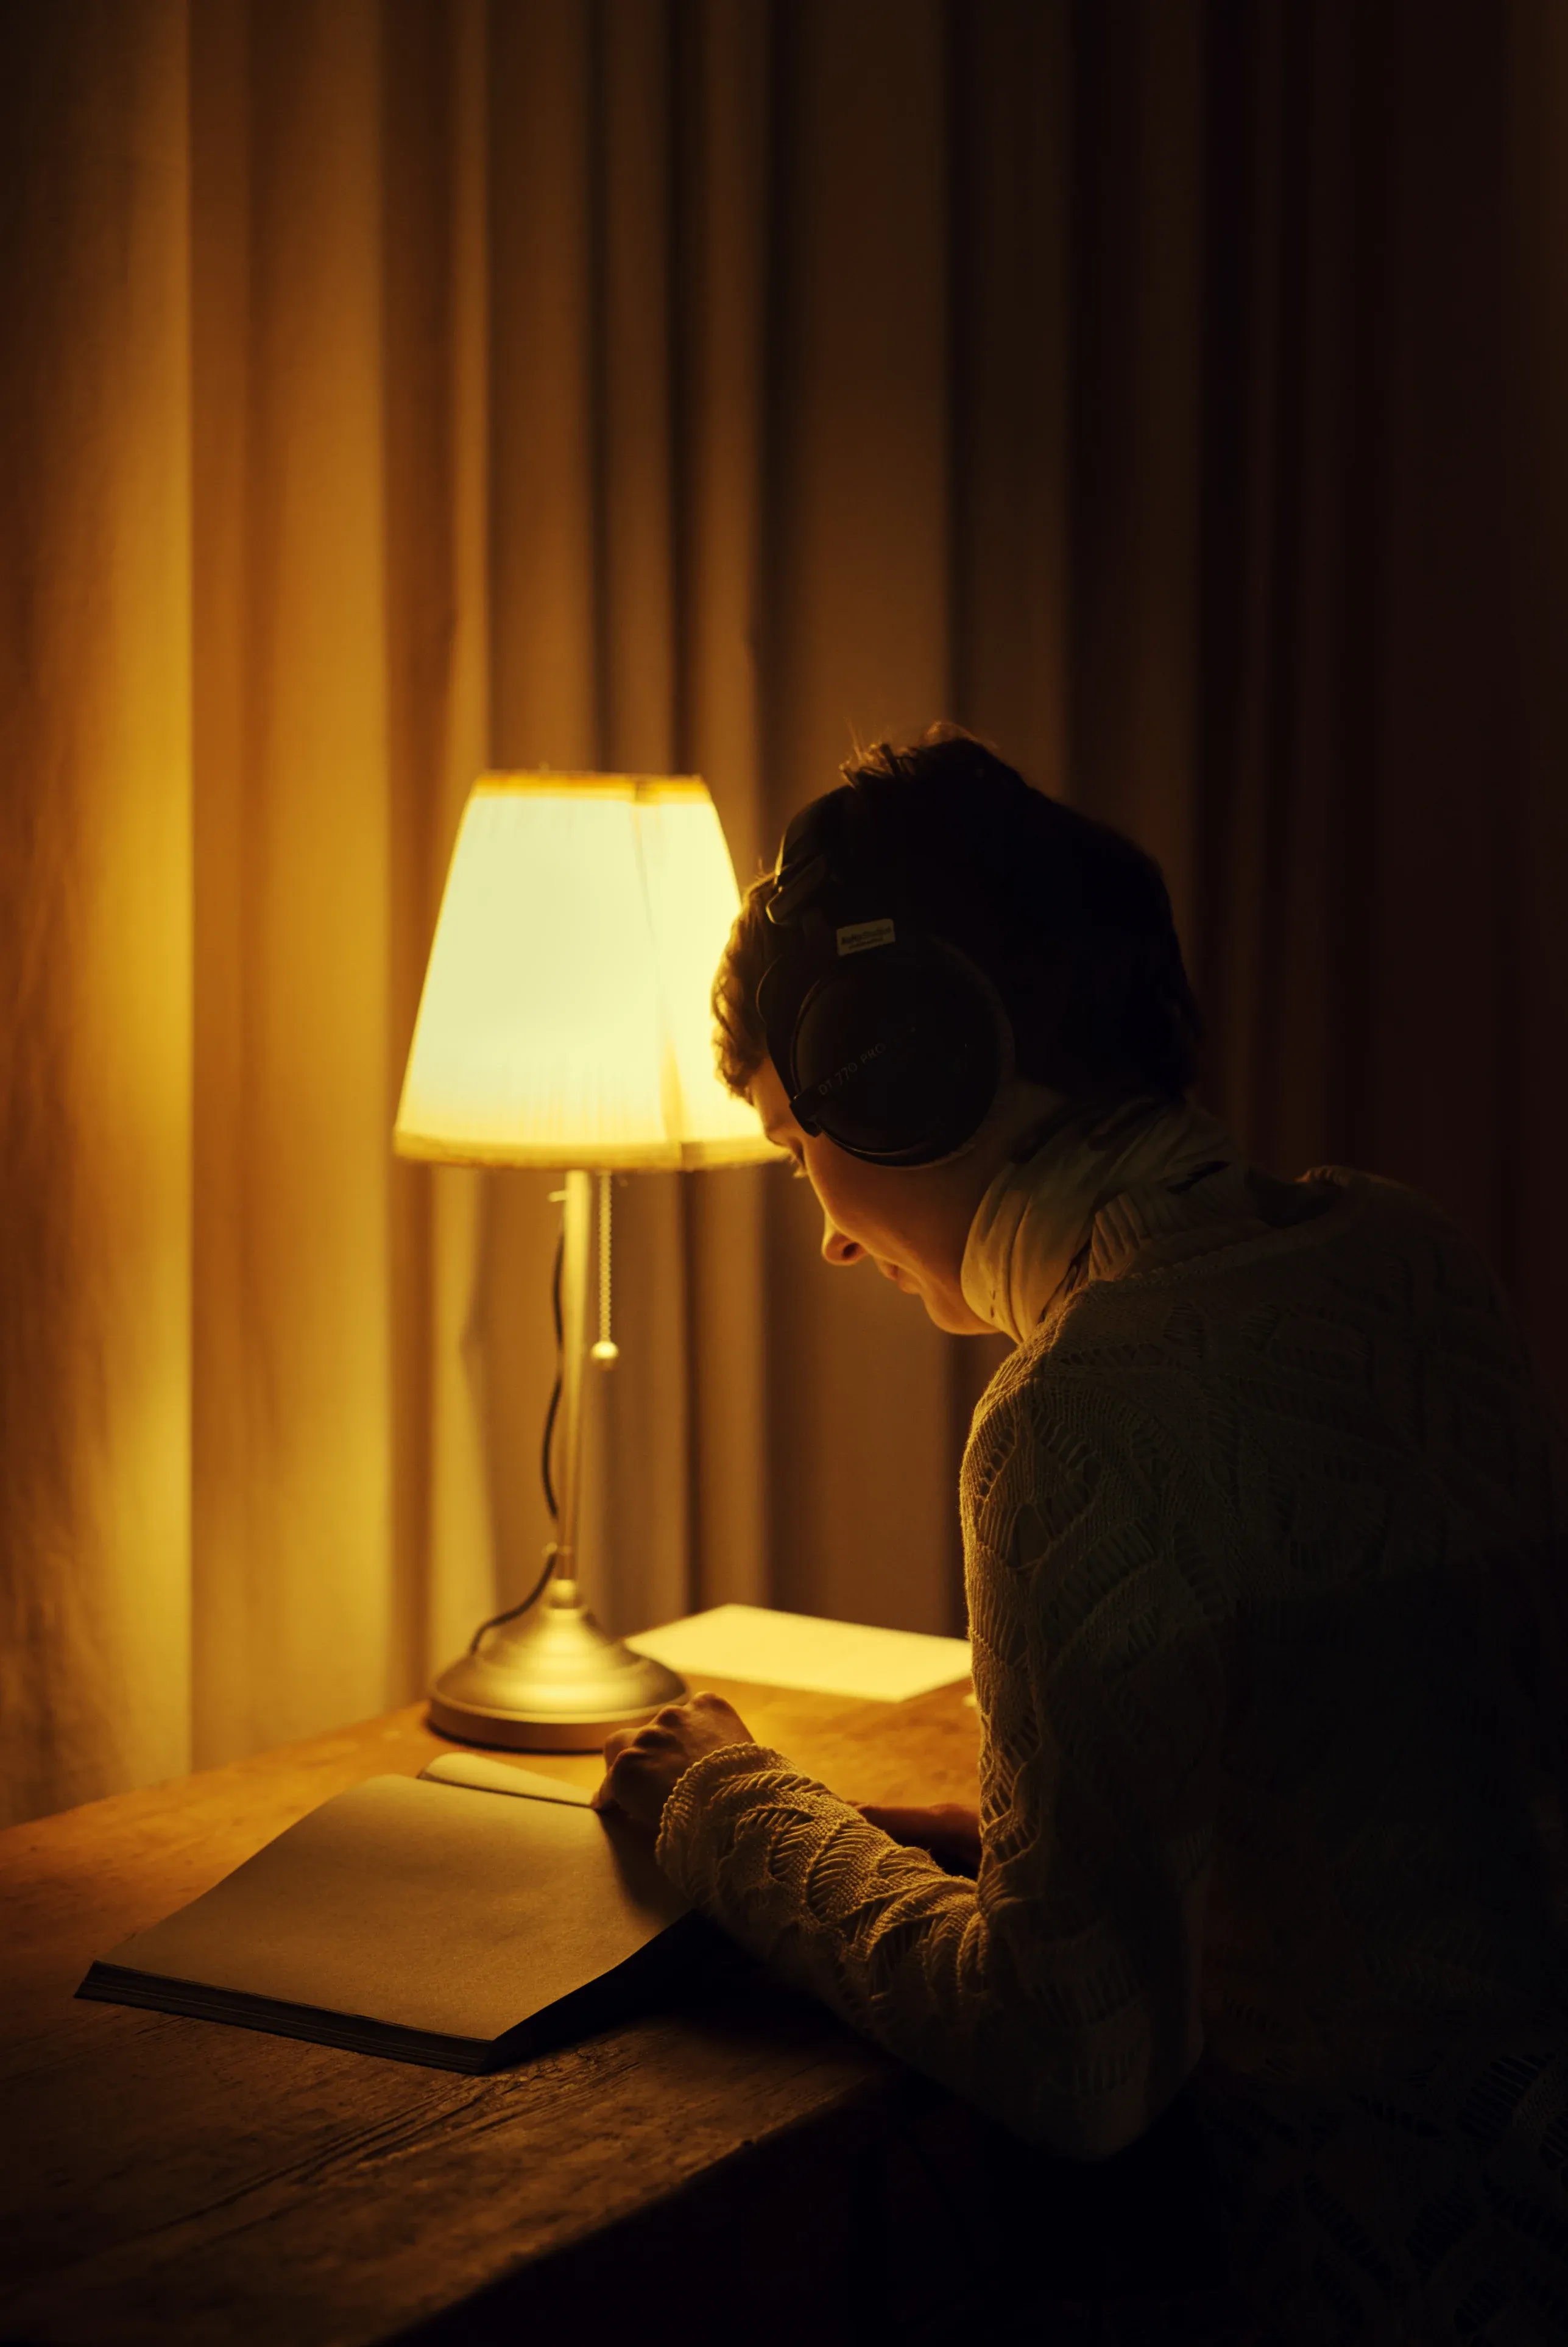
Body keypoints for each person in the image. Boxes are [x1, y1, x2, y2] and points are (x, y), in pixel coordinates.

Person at [594, 728, 1568, 2340]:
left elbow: (1074, 2057)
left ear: (907, 1065)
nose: (826, 1234)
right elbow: (1343, 1827)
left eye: (795, 1144)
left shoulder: (1078, 1411)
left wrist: (730, 1810)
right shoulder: (1407, 1253)